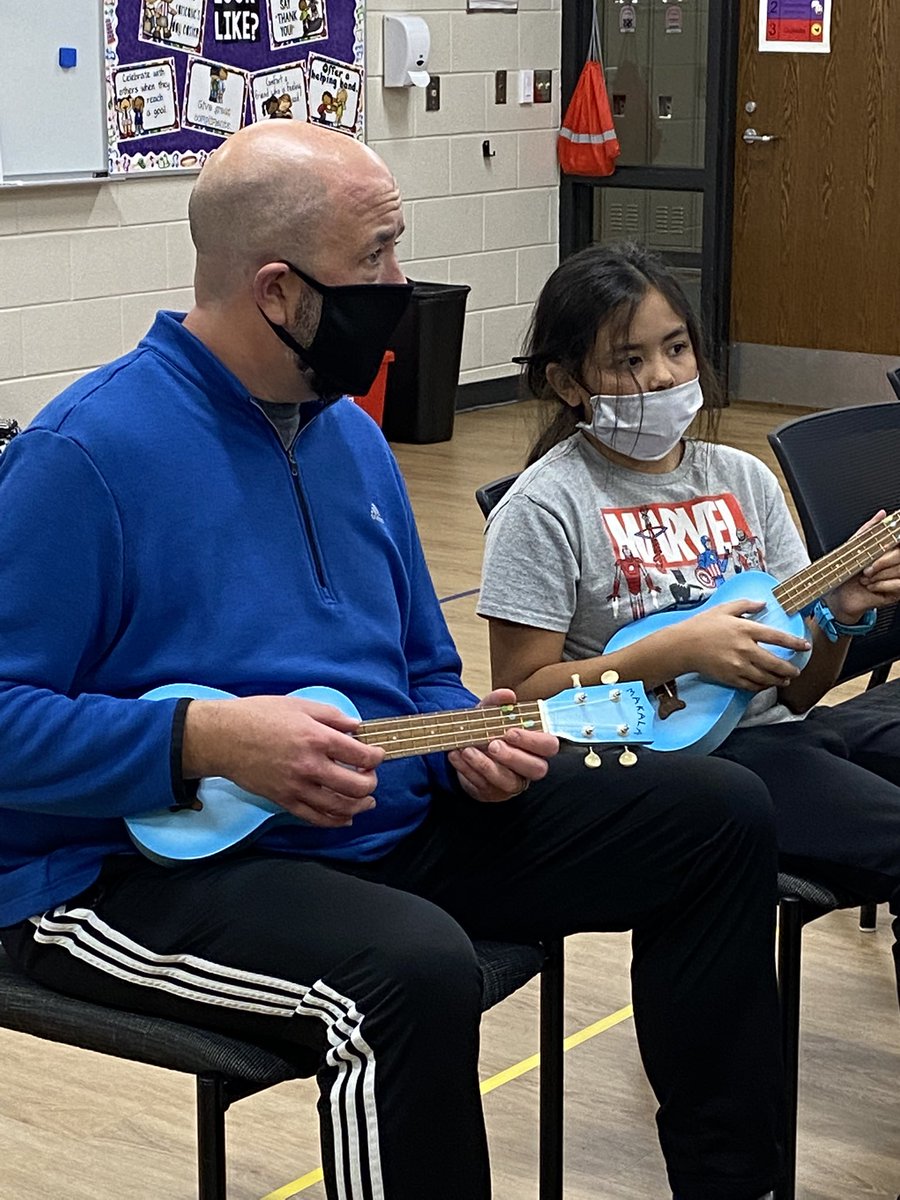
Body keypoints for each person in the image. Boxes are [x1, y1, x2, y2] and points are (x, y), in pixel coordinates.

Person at [0, 126, 782, 1200]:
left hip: (384, 821)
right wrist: (199, 739)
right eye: (375, 257)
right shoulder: (83, 455)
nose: (400, 284)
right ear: (280, 292)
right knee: (408, 970)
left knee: (717, 816)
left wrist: (468, 732)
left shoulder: (350, 436)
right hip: (126, 876)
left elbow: (421, 666)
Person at [478, 241, 900, 1008]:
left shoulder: (741, 479)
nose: (665, 377)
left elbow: (801, 693)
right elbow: (521, 700)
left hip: (778, 735)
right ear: (569, 384)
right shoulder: (544, 508)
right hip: (664, 768)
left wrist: (838, 617)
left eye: (675, 348)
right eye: (628, 360)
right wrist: (674, 650)